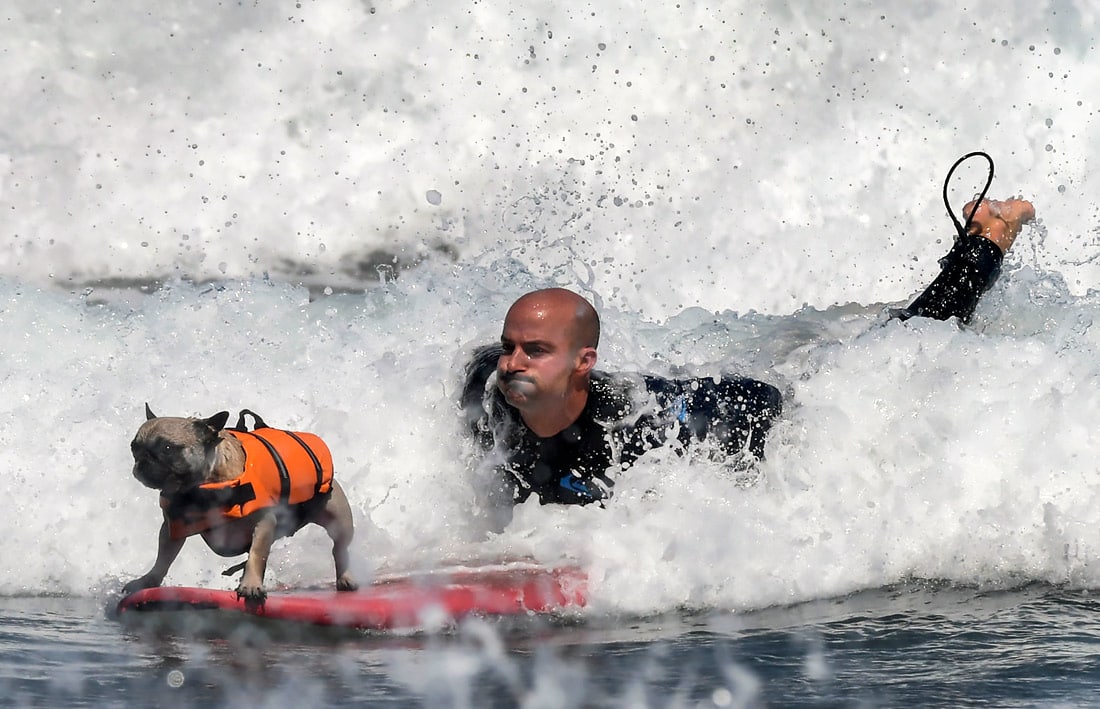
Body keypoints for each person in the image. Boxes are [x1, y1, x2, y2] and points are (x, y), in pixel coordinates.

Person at [461, 196, 1036, 511]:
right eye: (511, 347)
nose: (514, 362)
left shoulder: (637, 427)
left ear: (583, 362)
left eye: (535, 351)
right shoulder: (488, 390)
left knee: (901, 349)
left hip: (752, 405)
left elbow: (747, 435)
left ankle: (985, 243)